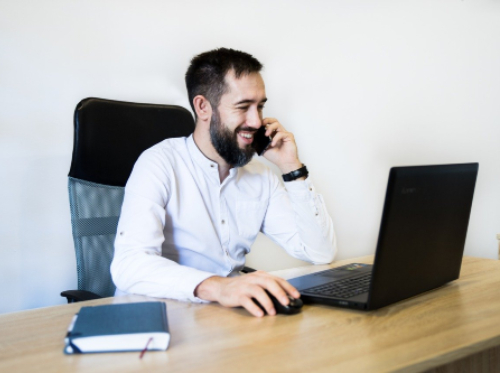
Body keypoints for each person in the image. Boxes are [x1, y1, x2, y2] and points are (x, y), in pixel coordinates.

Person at [111, 48, 336, 317]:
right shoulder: (158, 163)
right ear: (203, 107)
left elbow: (319, 252)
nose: (256, 121)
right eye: (243, 107)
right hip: (160, 319)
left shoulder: (260, 176)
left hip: (228, 317)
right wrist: (220, 288)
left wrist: (291, 168)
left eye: (260, 106)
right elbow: (129, 265)